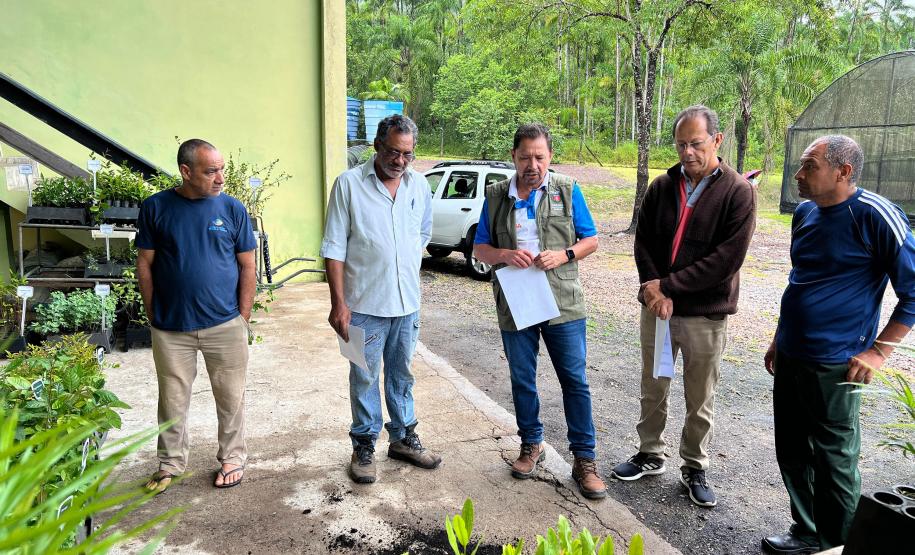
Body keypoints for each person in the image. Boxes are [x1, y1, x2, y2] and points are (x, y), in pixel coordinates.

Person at [761, 135, 915, 554]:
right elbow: (800, 281)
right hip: (792, 355)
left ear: (843, 172)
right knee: (792, 450)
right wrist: (780, 335)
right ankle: (808, 530)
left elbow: (914, 289)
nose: (798, 174)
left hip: (837, 364)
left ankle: (837, 543)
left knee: (834, 460)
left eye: (809, 166)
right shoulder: (806, 213)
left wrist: (879, 351)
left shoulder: (875, 215)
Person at [611, 105, 756, 508]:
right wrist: (652, 290)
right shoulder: (661, 186)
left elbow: (727, 260)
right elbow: (645, 243)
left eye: (695, 143)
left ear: (717, 141)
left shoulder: (737, 192)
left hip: (705, 313)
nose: (687, 152)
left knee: (700, 394)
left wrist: (669, 286)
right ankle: (650, 453)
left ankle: (694, 464)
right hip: (658, 309)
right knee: (653, 385)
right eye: (680, 144)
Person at [472, 123, 606, 500]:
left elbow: (591, 239)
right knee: (522, 378)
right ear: (513, 156)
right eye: (525, 156)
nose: (533, 164)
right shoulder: (497, 195)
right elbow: (480, 247)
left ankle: (585, 460)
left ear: (549, 156)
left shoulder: (567, 189)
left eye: (540, 156)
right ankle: (532, 444)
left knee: (574, 381)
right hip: (517, 300)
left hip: (562, 300)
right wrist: (504, 255)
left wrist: (563, 254)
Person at [320, 114, 440, 484]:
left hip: (407, 306)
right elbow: (334, 247)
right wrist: (338, 303)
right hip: (361, 308)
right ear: (376, 145)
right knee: (363, 376)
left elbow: (423, 233)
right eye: (392, 151)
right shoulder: (348, 185)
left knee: (402, 375)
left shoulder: (418, 187)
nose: (399, 161)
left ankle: (403, 438)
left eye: (407, 154)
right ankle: (364, 443)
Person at [137, 139, 257, 493]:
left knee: (231, 396)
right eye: (211, 171)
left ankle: (232, 457)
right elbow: (145, 263)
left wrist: (242, 318)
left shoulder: (233, 209)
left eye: (221, 169)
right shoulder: (156, 207)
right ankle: (170, 461)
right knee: (172, 398)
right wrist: (152, 309)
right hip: (172, 327)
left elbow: (248, 265)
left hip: (225, 324)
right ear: (186, 171)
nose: (220, 177)